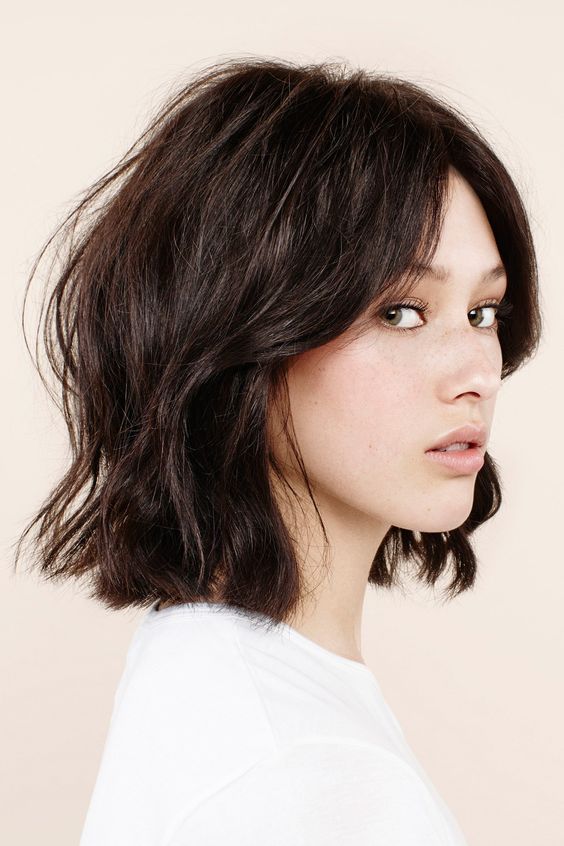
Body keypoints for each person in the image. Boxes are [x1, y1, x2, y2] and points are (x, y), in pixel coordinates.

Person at [14, 55, 542, 844]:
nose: (479, 373)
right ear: (240, 330)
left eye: (484, 312)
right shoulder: (302, 773)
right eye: (400, 312)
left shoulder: (210, 671)